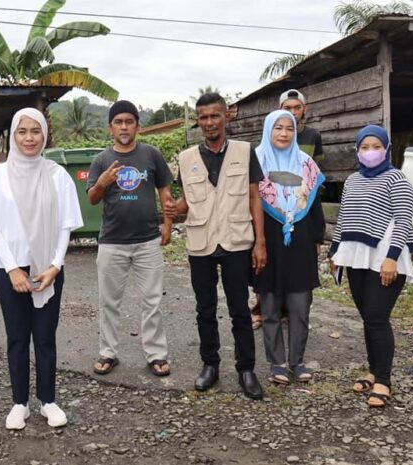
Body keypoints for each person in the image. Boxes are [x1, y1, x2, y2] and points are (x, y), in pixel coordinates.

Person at [0, 108, 83, 430]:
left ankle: (48, 400)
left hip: (47, 267)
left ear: (45, 135)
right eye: (22, 131)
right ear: (13, 134)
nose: (29, 137)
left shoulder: (57, 175)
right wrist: (12, 270)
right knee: (17, 338)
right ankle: (19, 403)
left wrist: (55, 265)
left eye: (36, 131)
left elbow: (66, 225)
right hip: (10, 268)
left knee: (45, 337)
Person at [174, 92, 266, 400]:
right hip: (201, 242)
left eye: (215, 115)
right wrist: (174, 209)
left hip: (236, 241)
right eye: (204, 117)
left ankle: (246, 369)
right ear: (197, 121)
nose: (210, 122)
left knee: (240, 308)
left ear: (226, 116)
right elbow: (186, 201)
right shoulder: (186, 159)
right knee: (205, 309)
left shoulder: (244, 151)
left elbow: (255, 197)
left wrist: (260, 242)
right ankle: (210, 366)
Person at [87, 100, 174, 377]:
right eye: (118, 122)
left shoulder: (151, 155)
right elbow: (91, 199)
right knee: (109, 301)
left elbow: (165, 192)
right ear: (110, 127)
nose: (124, 127)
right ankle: (108, 352)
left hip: (148, 240)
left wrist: (168, 224)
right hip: (112, 241)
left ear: (138, 125)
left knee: (152, 300)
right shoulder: (101, 160)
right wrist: (103, 182)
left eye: (129, 121)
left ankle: (156, 355)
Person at [329, 125, 413, 408]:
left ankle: (384, 382)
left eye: (375, 146)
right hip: (355, 257)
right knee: (368, 317)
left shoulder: (397, 179)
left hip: (385, 257)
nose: (369, 152)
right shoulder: (353, 180)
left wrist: (391, 257)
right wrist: (334, 253)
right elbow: (344, 218)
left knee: (378, 317)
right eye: (364, 147)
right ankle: (373, 370)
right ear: (357, 150)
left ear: (386, 149)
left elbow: (404, 220)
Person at [253, 110, 326, 385]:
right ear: (268, 130)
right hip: (266, 242)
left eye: (289, 129)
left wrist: (318, 238)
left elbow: (315, 206)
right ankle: (277, 363)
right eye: (278, 128)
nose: (284, 133)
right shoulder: (256, 161)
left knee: (300, 306)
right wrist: (253, 244)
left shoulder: (306, 163)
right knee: (269, 307)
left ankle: (297, 360)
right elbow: (248, 205)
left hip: (301, 242)